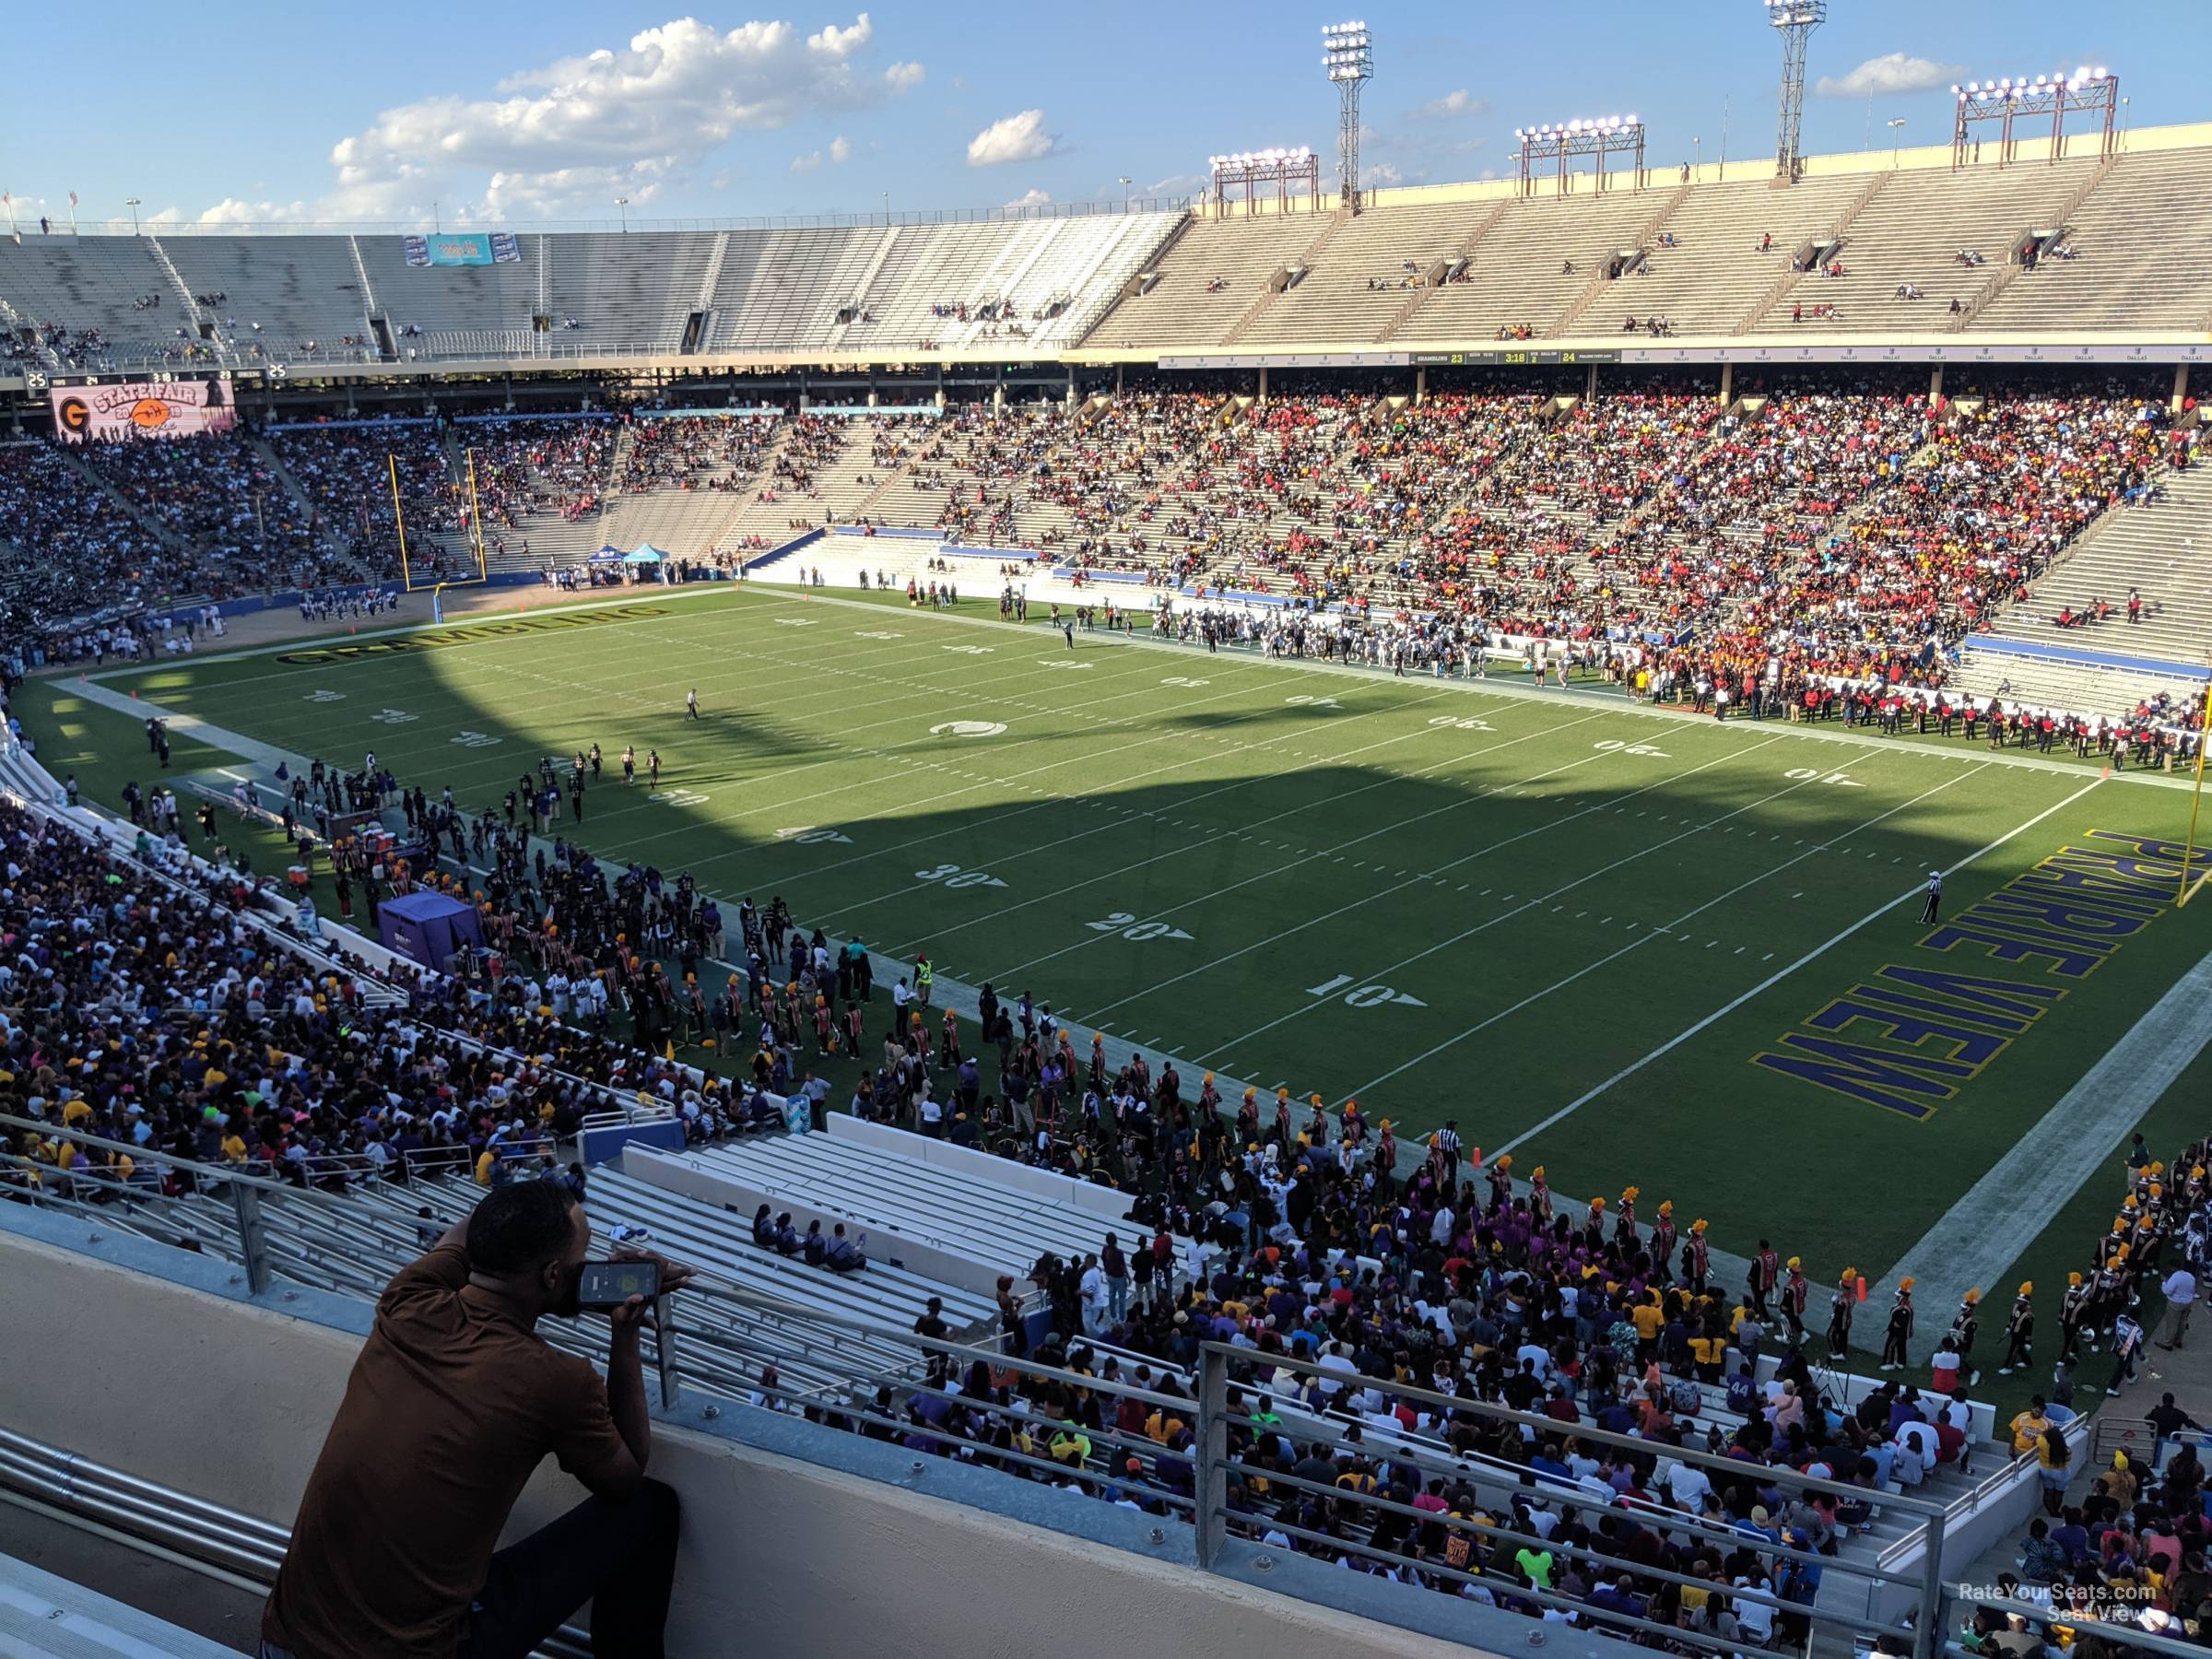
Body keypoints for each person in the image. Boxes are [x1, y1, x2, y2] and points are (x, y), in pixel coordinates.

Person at [260, 1182, 691, 1658]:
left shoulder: (408, 1301)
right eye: (580, 1262)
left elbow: (472, 1229)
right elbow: (626, 1478)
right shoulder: (555, 1379)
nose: (585, 1270)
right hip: (421, 1652)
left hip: (283, 1639)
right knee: (649, 1510)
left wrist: (563, 1270)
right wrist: (625, 1330)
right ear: (552, 1274)